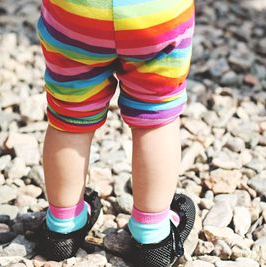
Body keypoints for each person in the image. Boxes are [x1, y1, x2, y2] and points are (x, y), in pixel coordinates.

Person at [36, 0, 196, 266]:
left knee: (70, 116)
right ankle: (153, 236)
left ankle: (62, 227)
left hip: (77, 15)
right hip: (153, 15)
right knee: (156, 117)